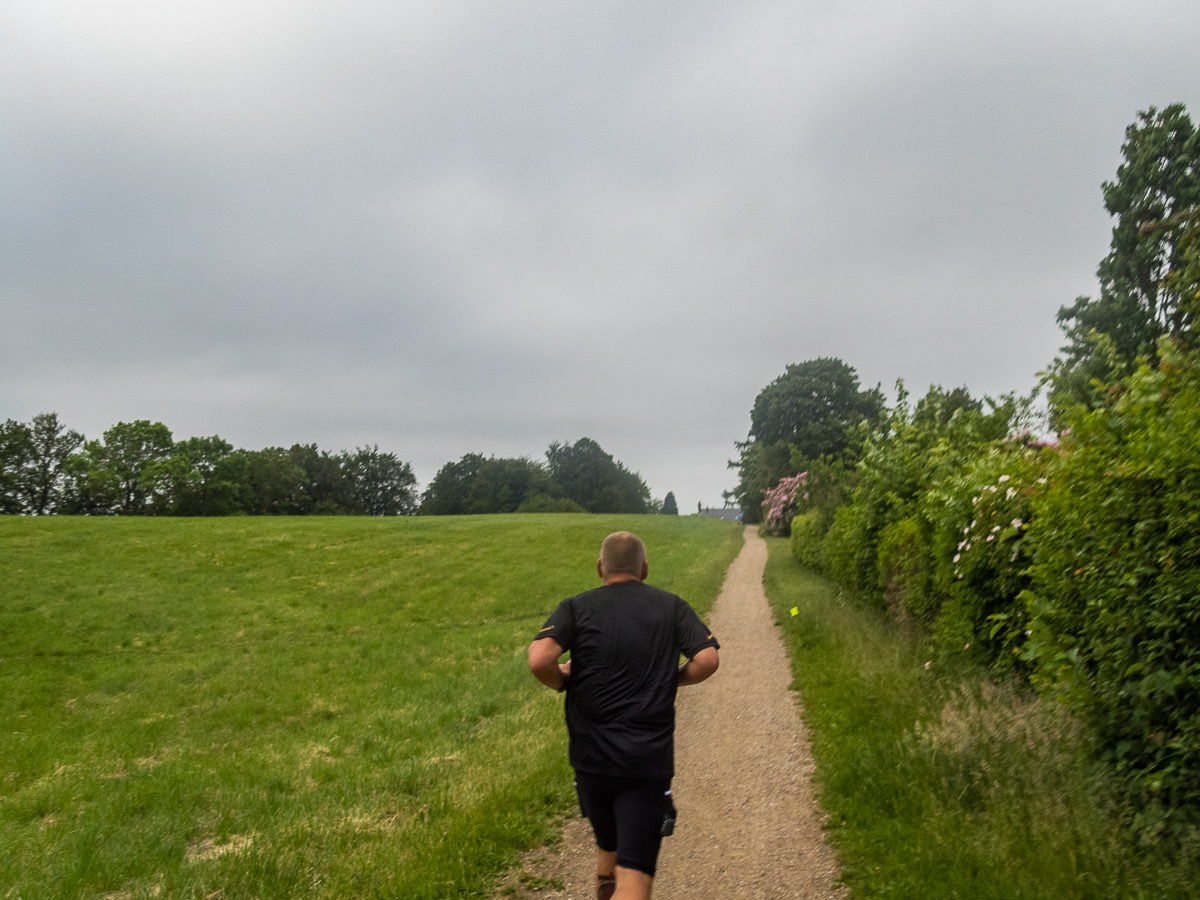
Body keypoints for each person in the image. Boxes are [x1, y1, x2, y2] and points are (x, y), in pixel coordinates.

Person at [528, 531, 720, 900]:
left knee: (607, 851)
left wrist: (561, 681)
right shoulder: (672, 607)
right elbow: (708, 658)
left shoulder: (575, 607)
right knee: (635, 875)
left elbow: (540, 660)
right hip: (644, 765)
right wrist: (673, 679)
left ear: (600, 567)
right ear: (645, 569)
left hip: (590, 764)